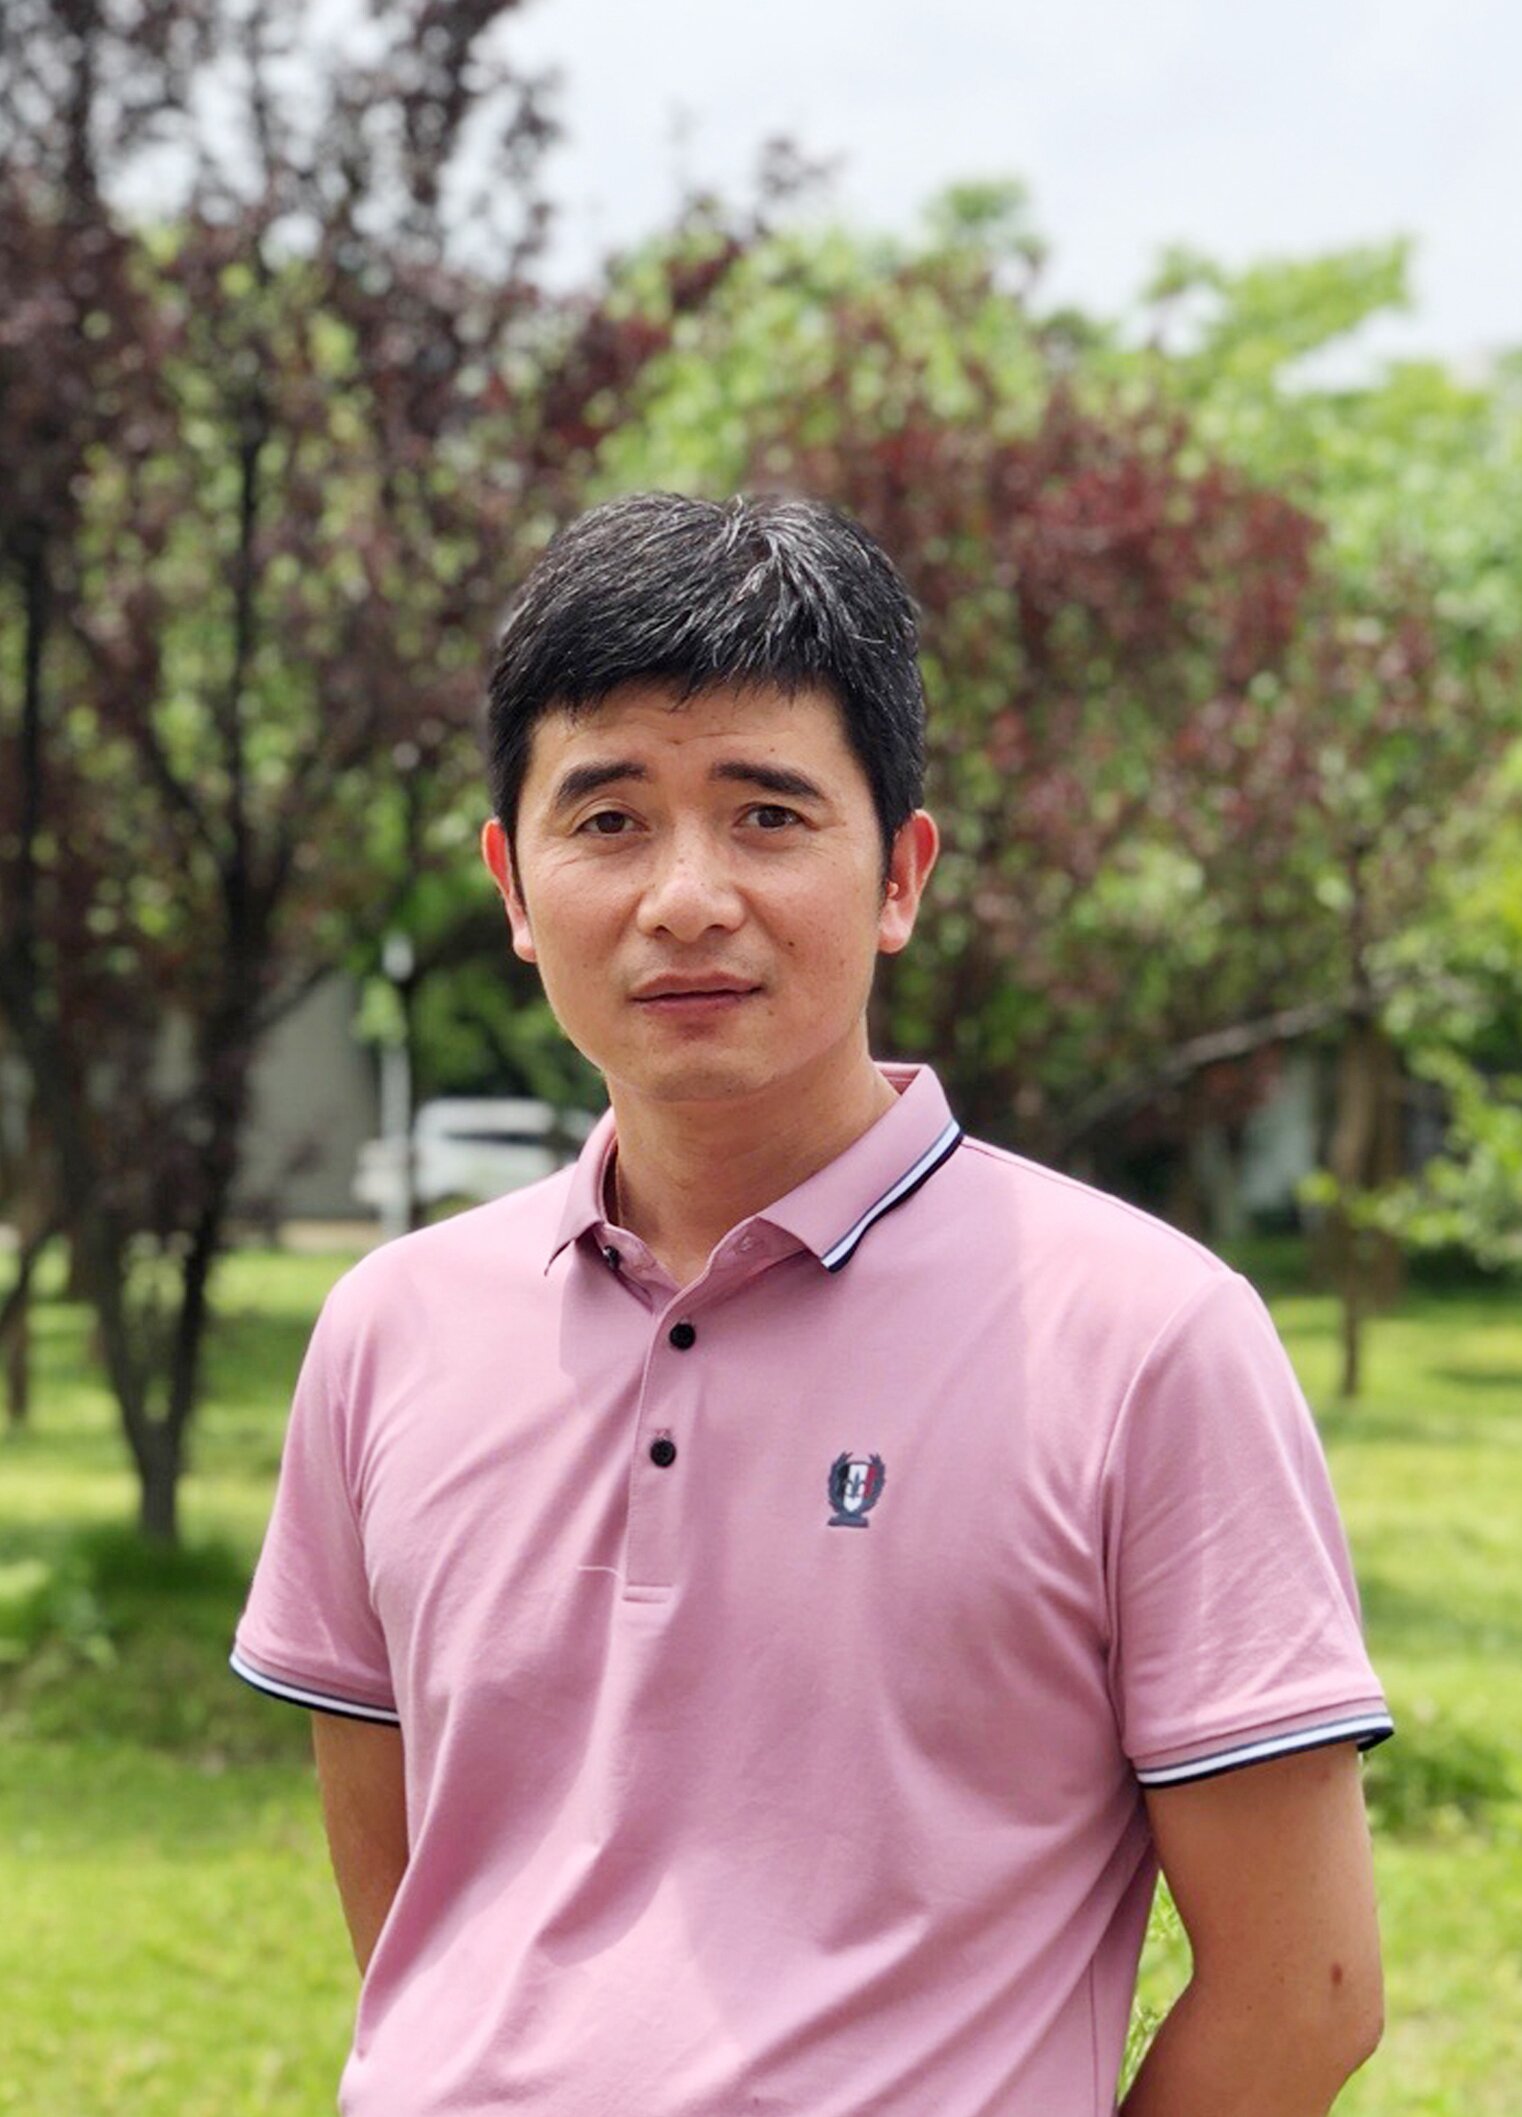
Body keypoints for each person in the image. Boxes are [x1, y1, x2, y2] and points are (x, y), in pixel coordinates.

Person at [231, 490, 1391, 2116]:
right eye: (607, 818)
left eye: (767, 814)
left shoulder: (1143, 1336)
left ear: (899, 871)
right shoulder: (388, 1328)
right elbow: (423, 1916)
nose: (685, 896)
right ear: (512, 884)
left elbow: (1303, 1988)